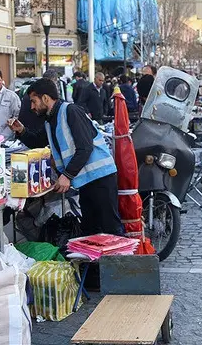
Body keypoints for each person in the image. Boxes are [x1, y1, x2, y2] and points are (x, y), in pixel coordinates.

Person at [9, 78, 122, 236]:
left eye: (34, 101)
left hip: (101, 179)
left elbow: (85, 148)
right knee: (91, 231)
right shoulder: (50, 121)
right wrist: (21, 131)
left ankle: (122, 253)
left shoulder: (70, 111)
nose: (32, 107)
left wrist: (67, 175)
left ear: (45, 98)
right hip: (86, 181)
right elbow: (37, 141)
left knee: (111, 229)